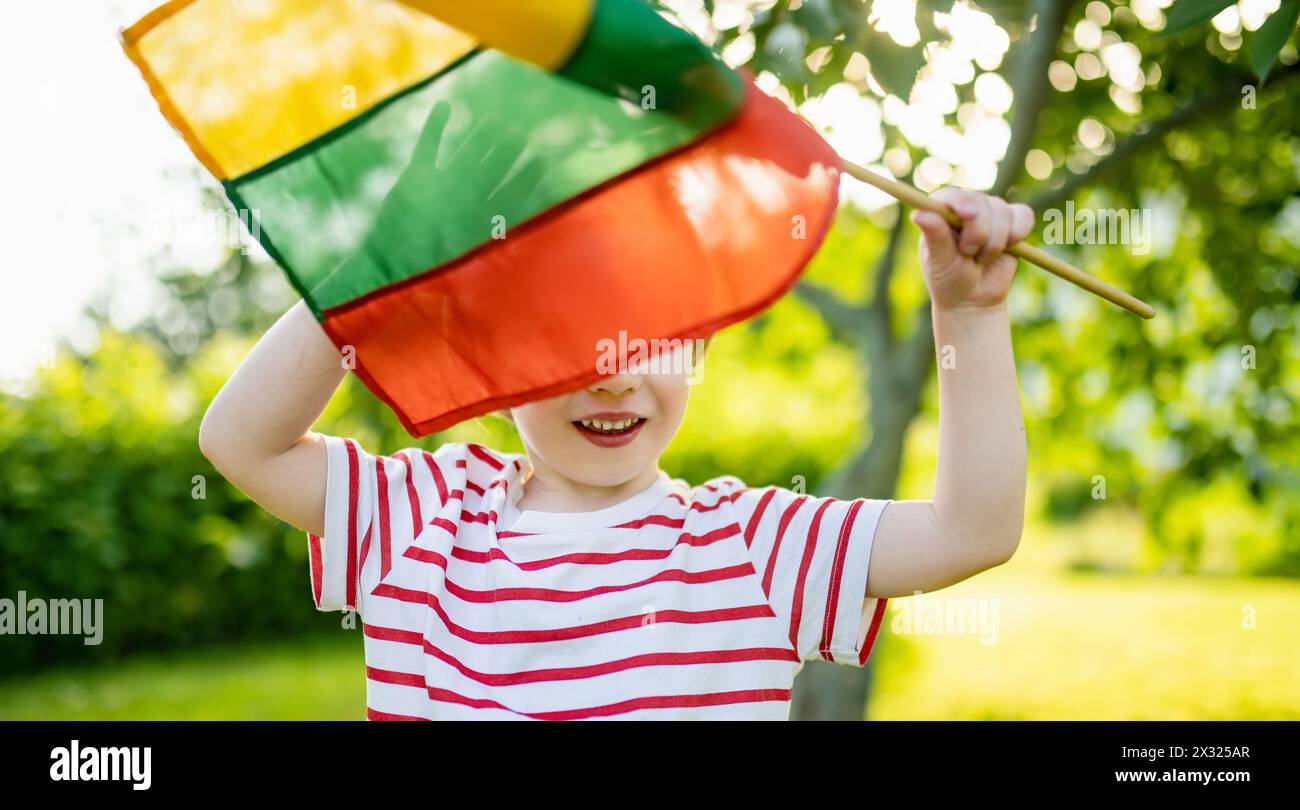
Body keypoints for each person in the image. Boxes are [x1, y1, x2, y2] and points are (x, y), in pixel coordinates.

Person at [198, 188, 1034, 720]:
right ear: (496, 359)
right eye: (566, 341)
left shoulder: (748, 545)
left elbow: (973, 530)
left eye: (655, 338)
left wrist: (968, 320)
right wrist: (370, 273)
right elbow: (240, 441)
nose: (613, 379)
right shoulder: (424, 516)